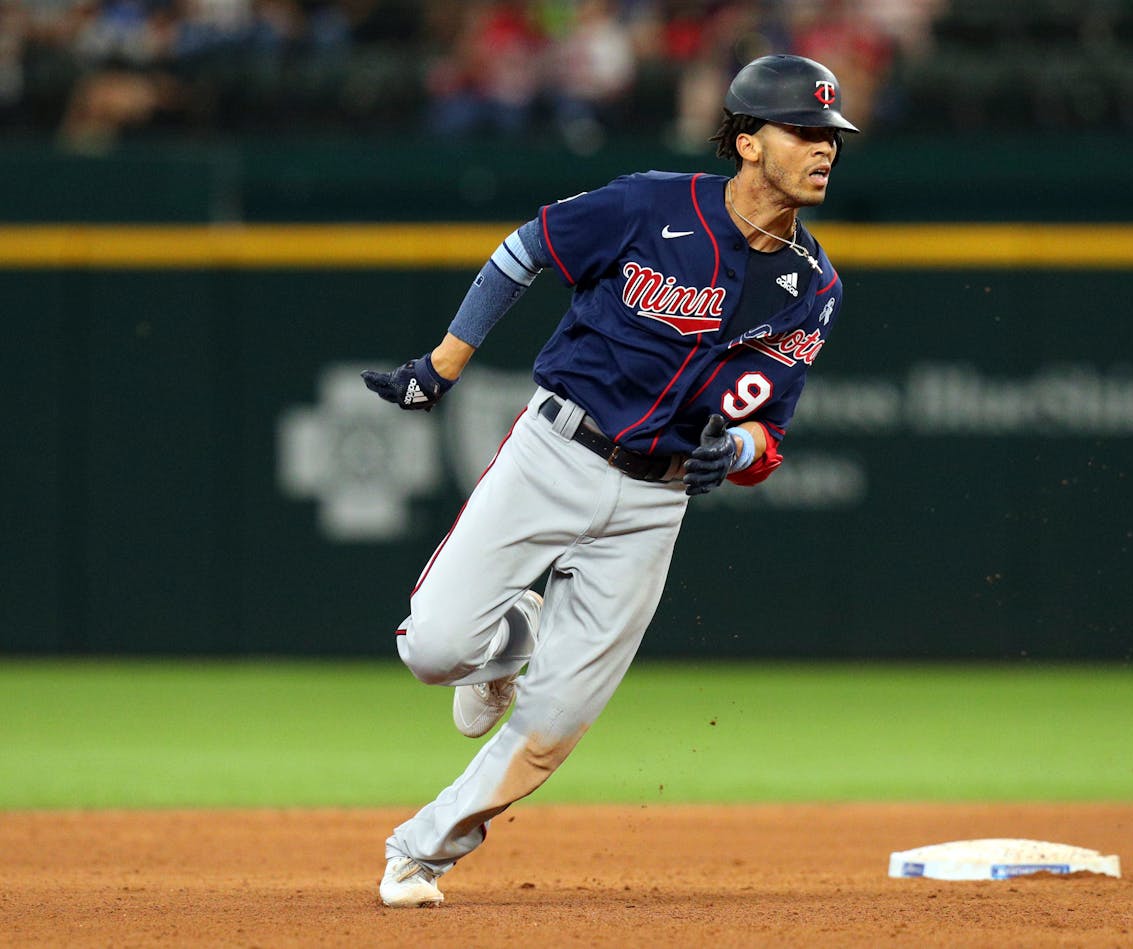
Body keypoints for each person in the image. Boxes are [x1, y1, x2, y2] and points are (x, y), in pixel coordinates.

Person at [361, 53, 858, 908]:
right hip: (555, 452)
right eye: (804, 132)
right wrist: (444, 364)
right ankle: (512, 632)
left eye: (832, 136)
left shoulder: (811, 287)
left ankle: (422, 851)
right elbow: (525, 250)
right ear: (746, 141)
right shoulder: (649, 204)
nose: (825, 150)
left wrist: (737, 454)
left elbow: (769, 431)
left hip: (655, 502)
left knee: (553, 726)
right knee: (434, 649)